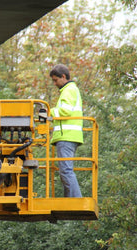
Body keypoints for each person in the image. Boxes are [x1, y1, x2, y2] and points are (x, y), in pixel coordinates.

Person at [49, 64, 83, 197]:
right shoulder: (71, 90)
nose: (54, 83)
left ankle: (75, 199)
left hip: (66, 137)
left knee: (66, 170)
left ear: (63, 77)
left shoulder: (68, 90)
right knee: (66, 170)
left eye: (55, 80)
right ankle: (71, 198)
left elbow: (65, 111)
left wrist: (48, 112)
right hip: (69, 136)